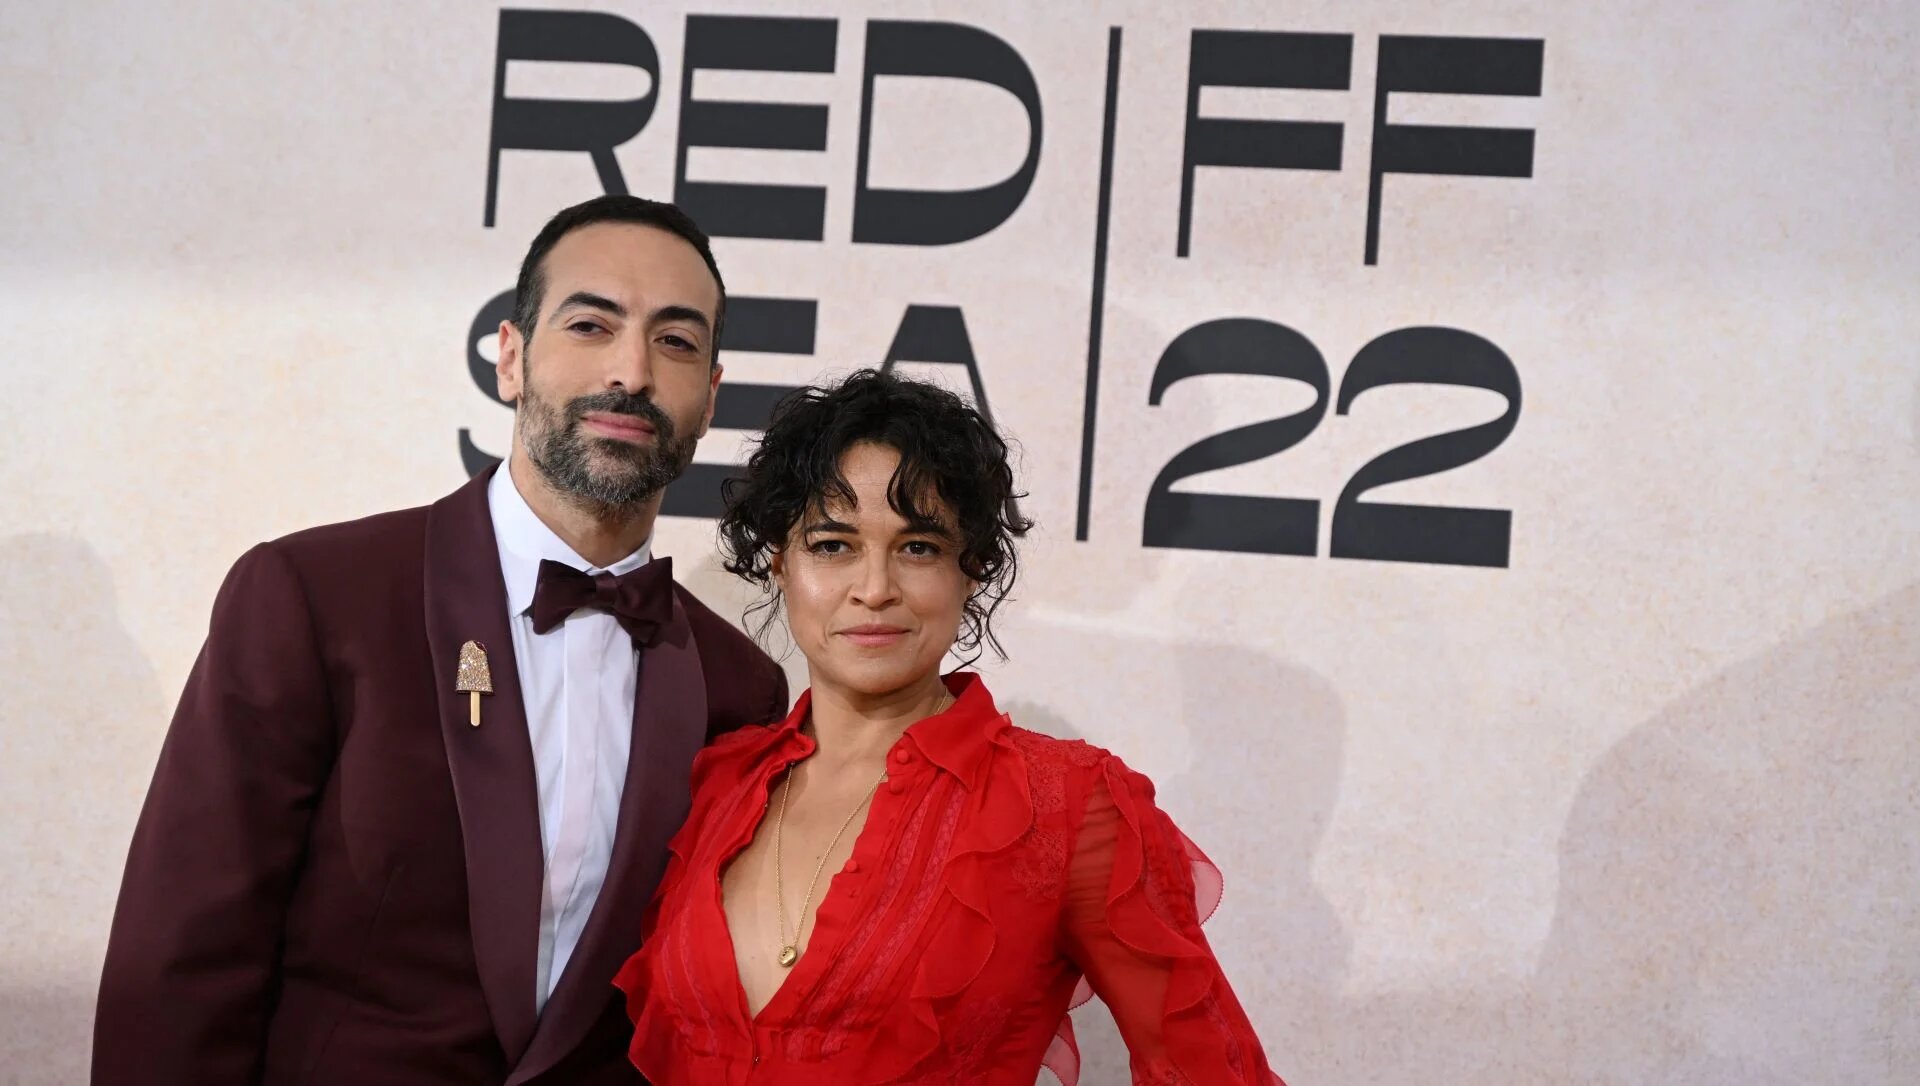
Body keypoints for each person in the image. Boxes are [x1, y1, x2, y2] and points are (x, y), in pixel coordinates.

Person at [93, 195, 789, 1086]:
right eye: (590, 324)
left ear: (710, 398)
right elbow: (181, 960)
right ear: (509, 358)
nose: (632, 370)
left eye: (676, 342)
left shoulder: (740, 687)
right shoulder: (315, 597)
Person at [614, 369, 1281, 1084]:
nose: (874, 588)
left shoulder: (1069, 806)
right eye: (833, 545)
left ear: (973, 569)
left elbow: (1214, 1070)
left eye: (918, 547)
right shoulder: (722, 782)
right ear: (781, 563)